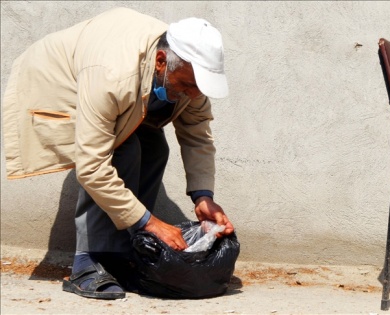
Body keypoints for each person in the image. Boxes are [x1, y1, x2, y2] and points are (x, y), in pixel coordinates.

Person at [2, 7, 234, 300]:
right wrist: (151, 223)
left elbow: (197, 131)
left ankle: (126, 251)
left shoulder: (187, 76)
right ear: (161, 62)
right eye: (187, 85)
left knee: (154, 148)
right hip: (60, 81)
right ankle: (89, 263)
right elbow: (92, 167)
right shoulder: (111, 74)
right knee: (122, 150)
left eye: (199, 88)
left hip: (126, 85)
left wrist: (204, 197)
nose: (194, 95)